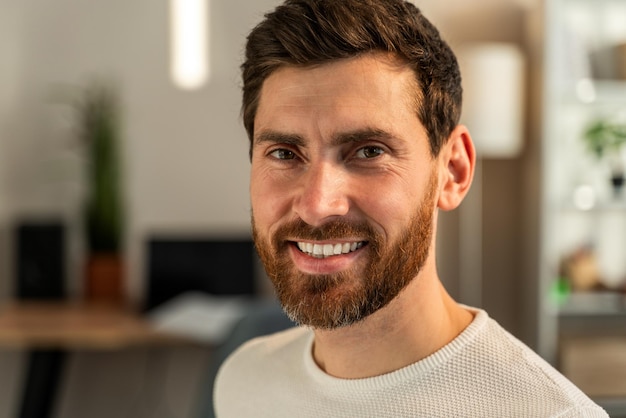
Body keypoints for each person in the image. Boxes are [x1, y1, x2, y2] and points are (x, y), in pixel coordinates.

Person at [213, 0, 608, 416]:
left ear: (453, 171)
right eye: (284, 153)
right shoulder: (242, 380)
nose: (316, 206)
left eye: (368, 151)